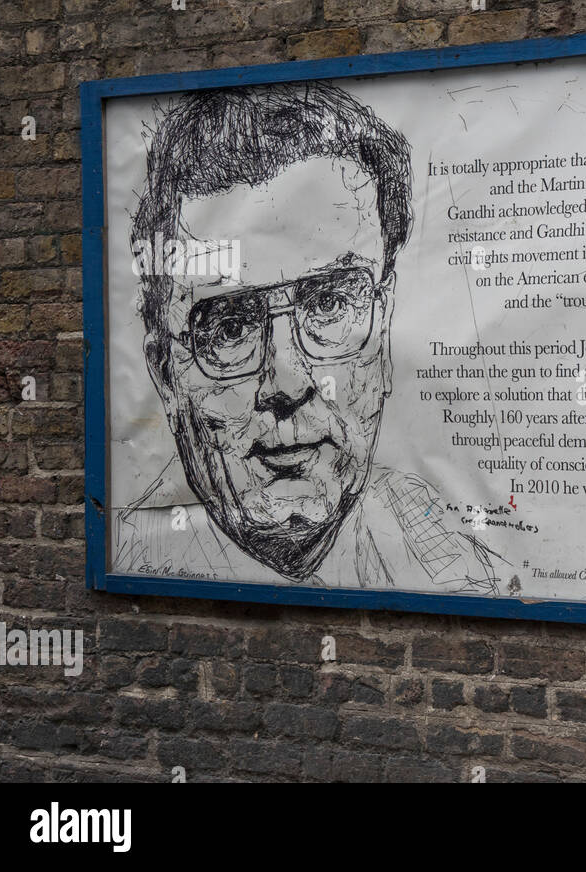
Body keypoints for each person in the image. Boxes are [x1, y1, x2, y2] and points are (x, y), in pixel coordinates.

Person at [115, 82, 499, 594]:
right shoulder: (134, 556)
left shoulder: (448, 556)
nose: (288, 382)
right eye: (230, 327)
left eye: (330, 303)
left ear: (381, 334)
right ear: (166, 370)